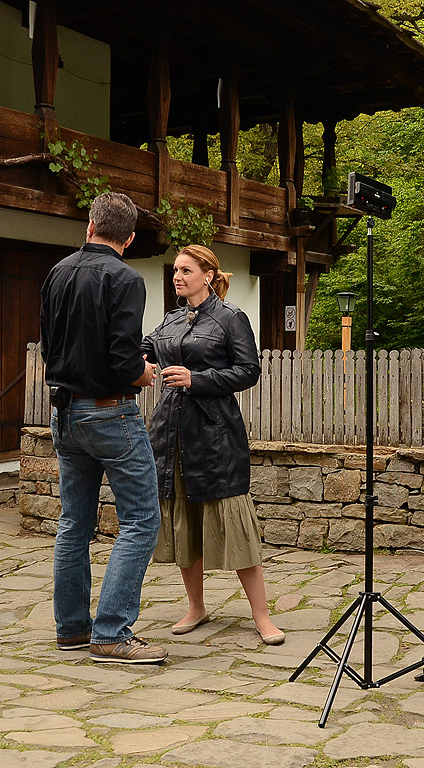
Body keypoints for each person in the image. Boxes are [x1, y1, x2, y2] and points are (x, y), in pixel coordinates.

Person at [39, 192, 167, 664]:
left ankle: (72, 629)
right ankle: (111, 633)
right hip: (110, 412)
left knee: (74, 522)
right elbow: (123, 356)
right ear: (129, 238)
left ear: (89, 226)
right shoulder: (126, 278)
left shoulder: (57, 272)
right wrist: (144, 374)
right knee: (141, 519)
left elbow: (49, 344)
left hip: (64, 413)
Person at [142, 245, 284, 645]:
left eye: (186, 270)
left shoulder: (230, 318)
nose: (177, 276)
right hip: (170, 433)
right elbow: (143, 349)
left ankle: (262, 616)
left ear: (208, 275)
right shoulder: (169, 320)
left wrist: (196, 379)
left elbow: (248, 370)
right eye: (175, 271)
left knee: (235, 524)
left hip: (215, 435)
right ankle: (196, 607)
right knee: (183, 524)